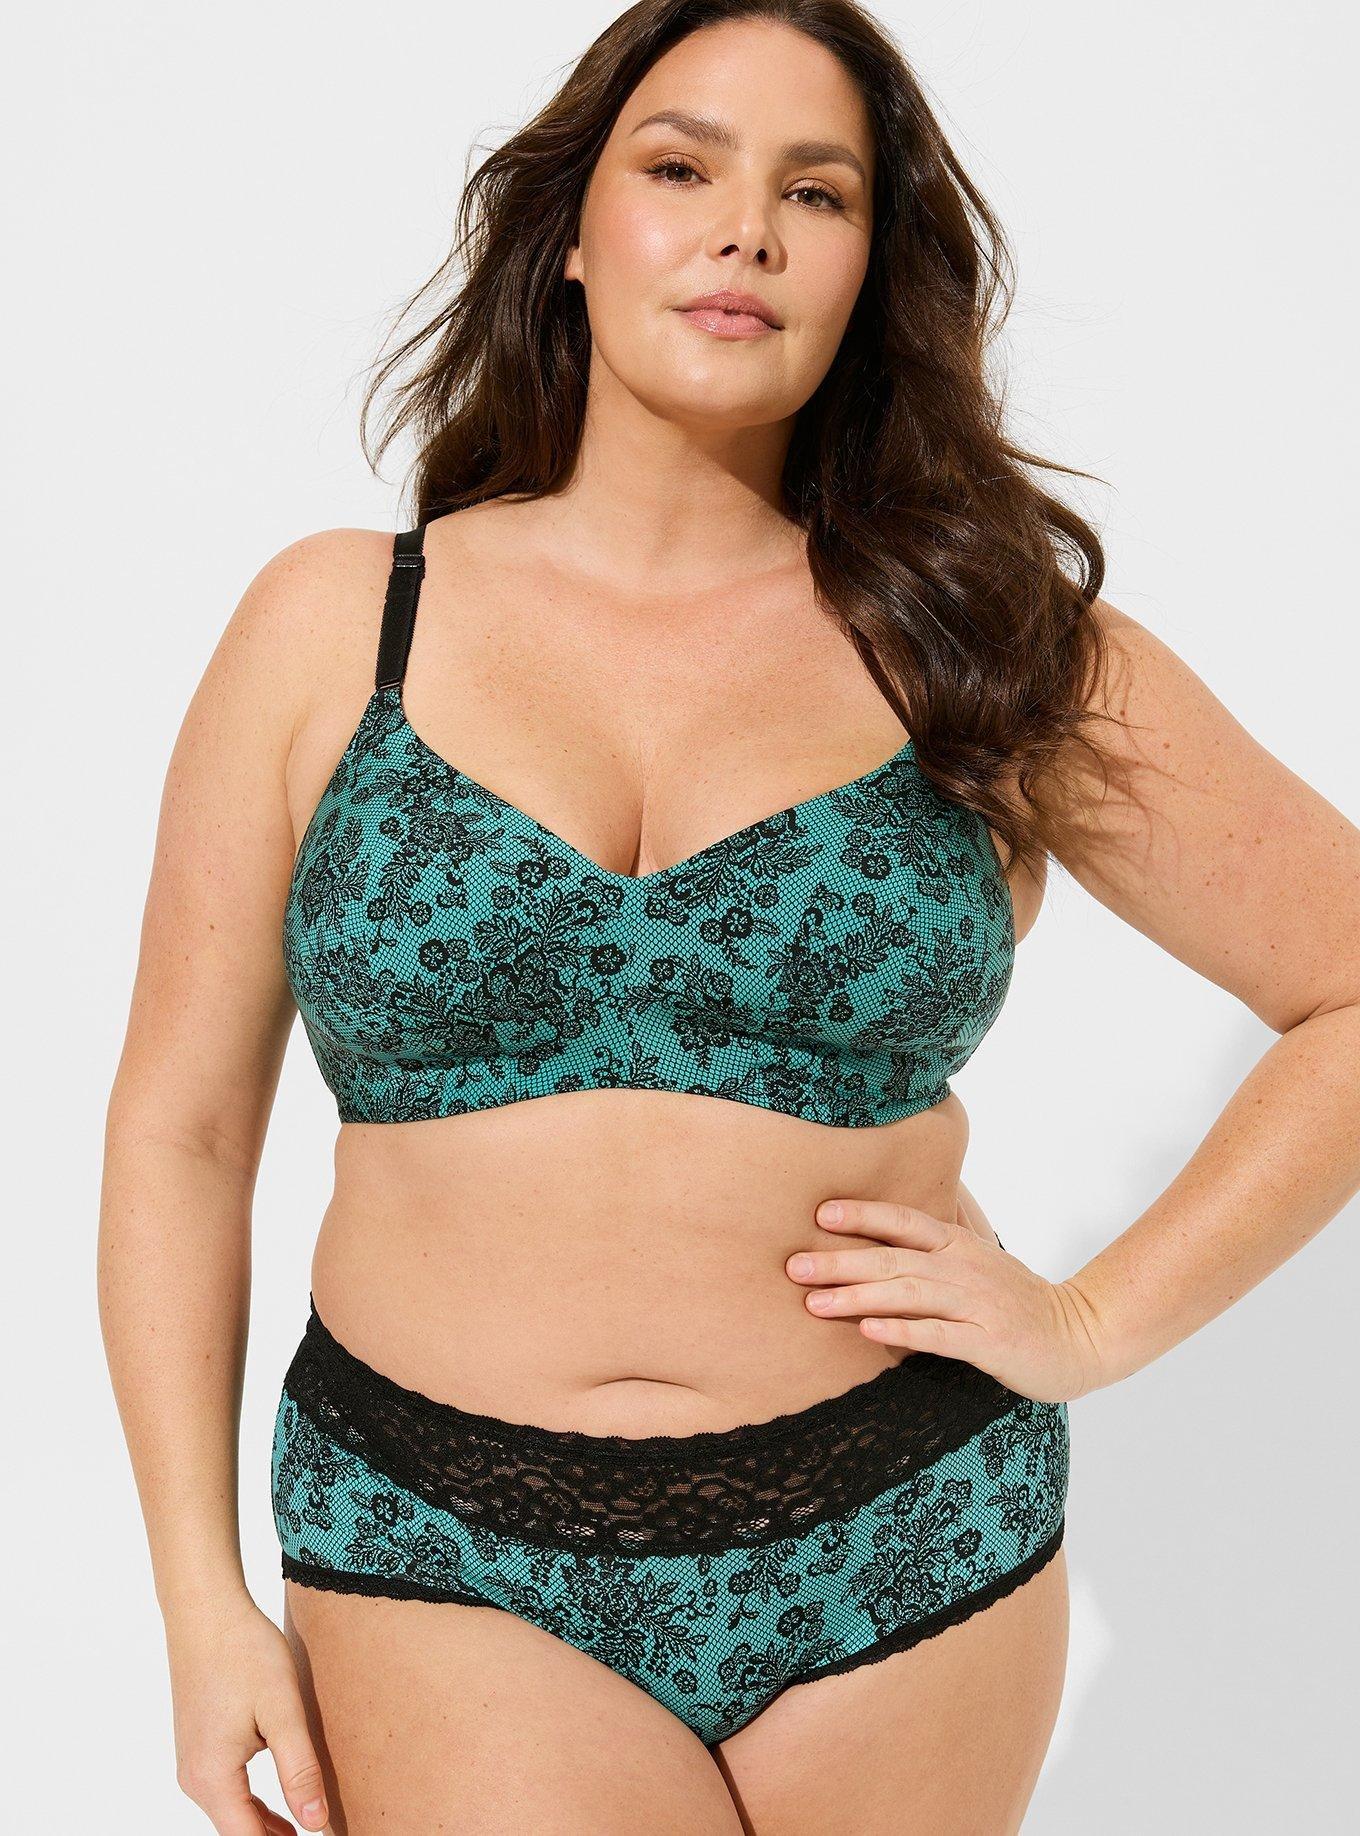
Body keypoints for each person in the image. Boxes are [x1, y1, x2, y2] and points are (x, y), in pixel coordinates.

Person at [98, 4, 1360, 1833]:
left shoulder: (985, 643)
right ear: (571, 229)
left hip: (907, 1533)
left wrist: (1092, 1322)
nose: (745, 231)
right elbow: (183, 1131)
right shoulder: (335, 625)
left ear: (868, 266)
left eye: (816, 193)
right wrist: (194, 1599)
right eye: (682, 166)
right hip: (438, 1540)